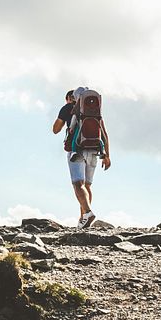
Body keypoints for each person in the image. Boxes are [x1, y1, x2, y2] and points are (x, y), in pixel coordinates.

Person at [53, 87, 111, 229]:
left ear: (70, 98)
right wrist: (107, 156)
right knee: (87, 186)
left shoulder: (68, 107)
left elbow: (55, 129)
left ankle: (87, 213)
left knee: (78, 184)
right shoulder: (94, 112)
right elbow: (104, 134)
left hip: (77, 149)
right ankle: (83, 220)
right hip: (94, 150)